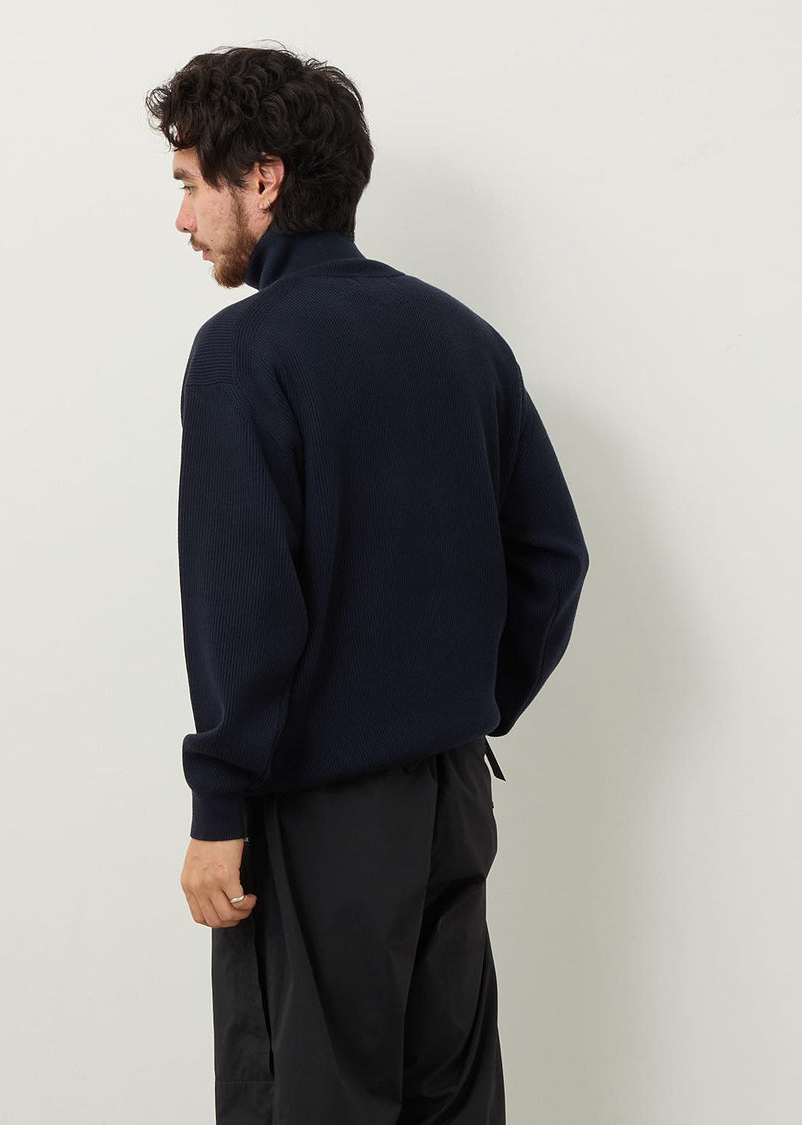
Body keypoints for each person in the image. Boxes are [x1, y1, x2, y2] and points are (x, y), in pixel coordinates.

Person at [145, 43, 590, 1124]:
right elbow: (553, 557)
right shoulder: (465, 341)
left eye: (192, 183)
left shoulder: (247, 352)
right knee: (450, 1101)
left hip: (318, 817)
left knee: (307, 1100)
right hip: (452, 800)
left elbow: (246, 605)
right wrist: (463, 704)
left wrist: (220, 803)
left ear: (264, 178)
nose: (182, 218)